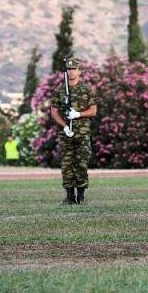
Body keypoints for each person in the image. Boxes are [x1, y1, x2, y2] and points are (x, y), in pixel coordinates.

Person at [51, 59, 97, 205]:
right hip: (66, 134)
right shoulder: (60, 90)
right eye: (69, 69)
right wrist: (64, 126)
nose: (71, 71)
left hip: (82, 134)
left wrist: (78, 114)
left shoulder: (87, 89)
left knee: (81, 164)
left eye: (74, 69)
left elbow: (93, 111)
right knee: (66, 165)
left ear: (79, 71)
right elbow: (54, 112)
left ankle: (81, 196)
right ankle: (70, 197)